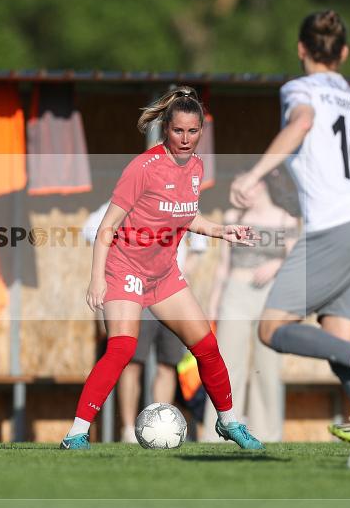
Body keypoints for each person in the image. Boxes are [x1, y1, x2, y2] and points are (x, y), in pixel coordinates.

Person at [230, 10, 350, 449]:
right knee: (336, 341)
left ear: (301, 49)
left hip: (333, 226)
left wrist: (254, 176)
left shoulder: (300, 89)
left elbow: (302, 123)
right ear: (343, 53)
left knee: (271, 328)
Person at [61, 86, 264, 450]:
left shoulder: (197, 168)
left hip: (164, 275)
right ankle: (76, 432)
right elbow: (106, 227)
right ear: (165, 129)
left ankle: (229, 423)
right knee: (122, 350)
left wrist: (220, 230)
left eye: (193, 131)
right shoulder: (143, 168)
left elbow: (184, 216)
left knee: (207, 346)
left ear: (202, 130)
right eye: (178, 131)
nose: (185, 139)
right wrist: (97, 282)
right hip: (125, 270)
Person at [83, 200, 207, 443]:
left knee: (167, 364)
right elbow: (91, 231)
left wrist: (185, 270)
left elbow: (200, 244)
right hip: (134, 292)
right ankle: (129, 429)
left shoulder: (182, 200)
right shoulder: (123, 199)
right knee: (132, 362)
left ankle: (161, 426)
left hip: (169, 292)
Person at [202, 171, 300, 442]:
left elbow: (296, 259)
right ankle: (216, 431)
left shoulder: (285, 219)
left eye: (241, 187)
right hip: (235, 294)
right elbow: (222, 267)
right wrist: (213, 307)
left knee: (266, 368)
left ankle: (267, 433)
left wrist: (276, 265)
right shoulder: (232, 218)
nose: (238, 194)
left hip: (270, 297)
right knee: (226, 366)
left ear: (259, 185)